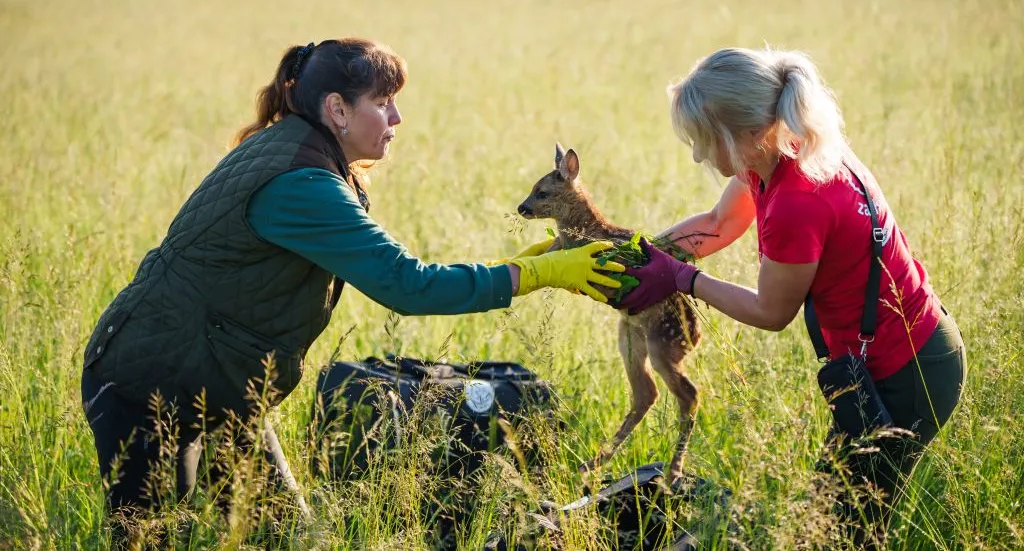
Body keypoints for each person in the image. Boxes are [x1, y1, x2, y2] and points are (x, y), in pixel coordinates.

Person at [79, 37, 624, 544]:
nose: (397, 117)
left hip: (221, 385)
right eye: (383, 102)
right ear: (337, 110)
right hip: (149, 386)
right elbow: (407, 285)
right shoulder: (301, 184)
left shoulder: (301, 154)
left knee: (289, 537)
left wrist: (519, 266)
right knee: (148, 537)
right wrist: (537, 274)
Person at [616, 47, 966, 545]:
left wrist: (680, 278)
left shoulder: (798, 201)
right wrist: (645, 254)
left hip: (908, 373)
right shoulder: (786, 147)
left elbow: (770, 311)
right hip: (901, 355)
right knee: (840, 520)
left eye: (703, 141)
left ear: (745, 134)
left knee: (843, 531)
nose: (698, 156)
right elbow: (720, 224)